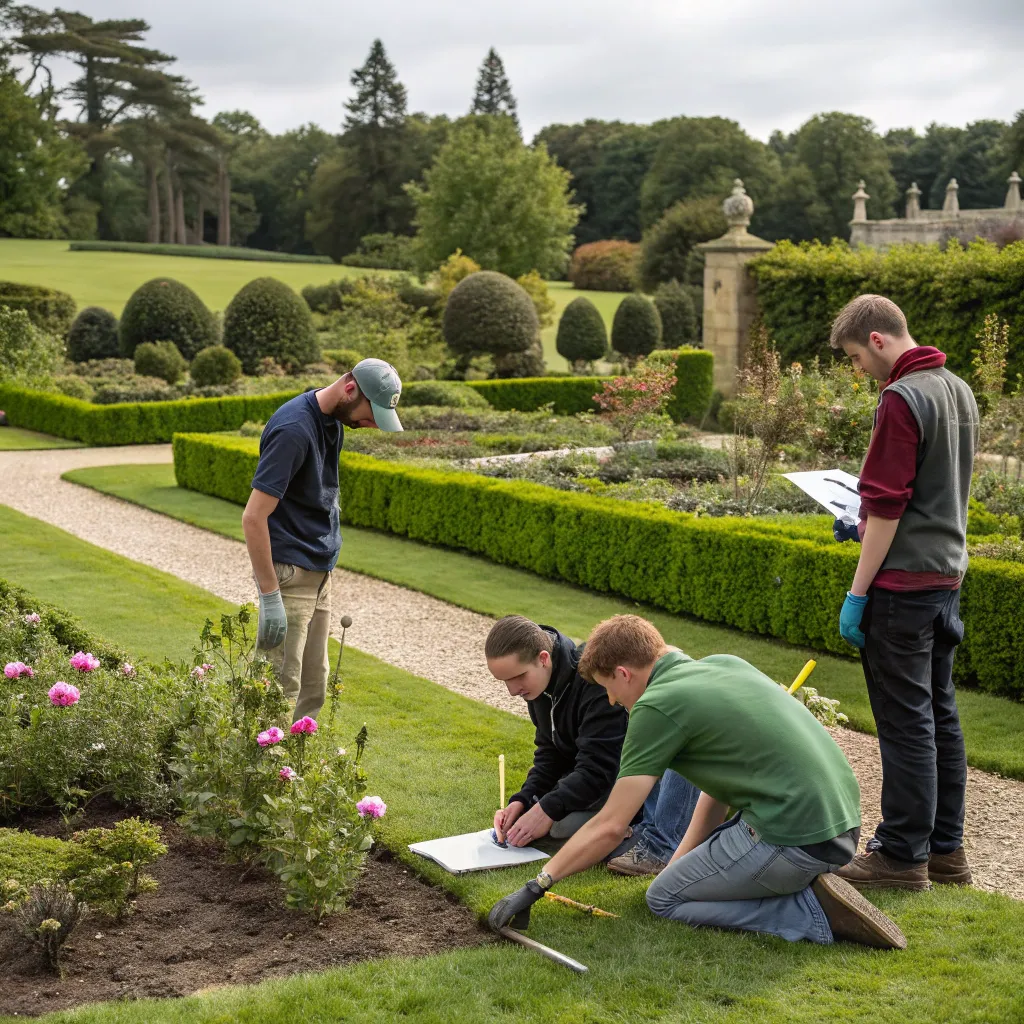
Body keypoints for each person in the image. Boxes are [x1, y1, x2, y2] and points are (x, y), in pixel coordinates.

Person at [488, 615, 906, 950]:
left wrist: (537, 885)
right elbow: (716, 789)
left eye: (608, 689)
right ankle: (805, 881)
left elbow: (611, 825)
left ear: (623, 673)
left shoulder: (655, 706)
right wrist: (677, 865)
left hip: (794, 839)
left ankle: (810, 911)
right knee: (673, 882)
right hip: (841, 826)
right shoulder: (724, 664)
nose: (611, 701)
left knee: (663, 898)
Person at [830, 295, 978, 891]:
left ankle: (900, 855)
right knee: (939, 713)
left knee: (905, 723)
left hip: (901, 587)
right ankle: (946, 852)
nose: (860, 370)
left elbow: (889, 506)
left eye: (856, 358)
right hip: (946, 577)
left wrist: (857, 592)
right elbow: (932, 490)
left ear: (878, 340)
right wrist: (864, 523)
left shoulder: (901, 397)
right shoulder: (957, 388)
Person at [242, 359, 403, 722]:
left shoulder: (333, 421)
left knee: (314, 685)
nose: (371, 425)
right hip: (290, 575)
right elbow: (253, 517)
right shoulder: (294, 429)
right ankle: (263, 757)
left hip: (318, 573)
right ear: (350, 389)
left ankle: (299, 754)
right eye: (370, 415)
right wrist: (270, 596)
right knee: (278, 688)